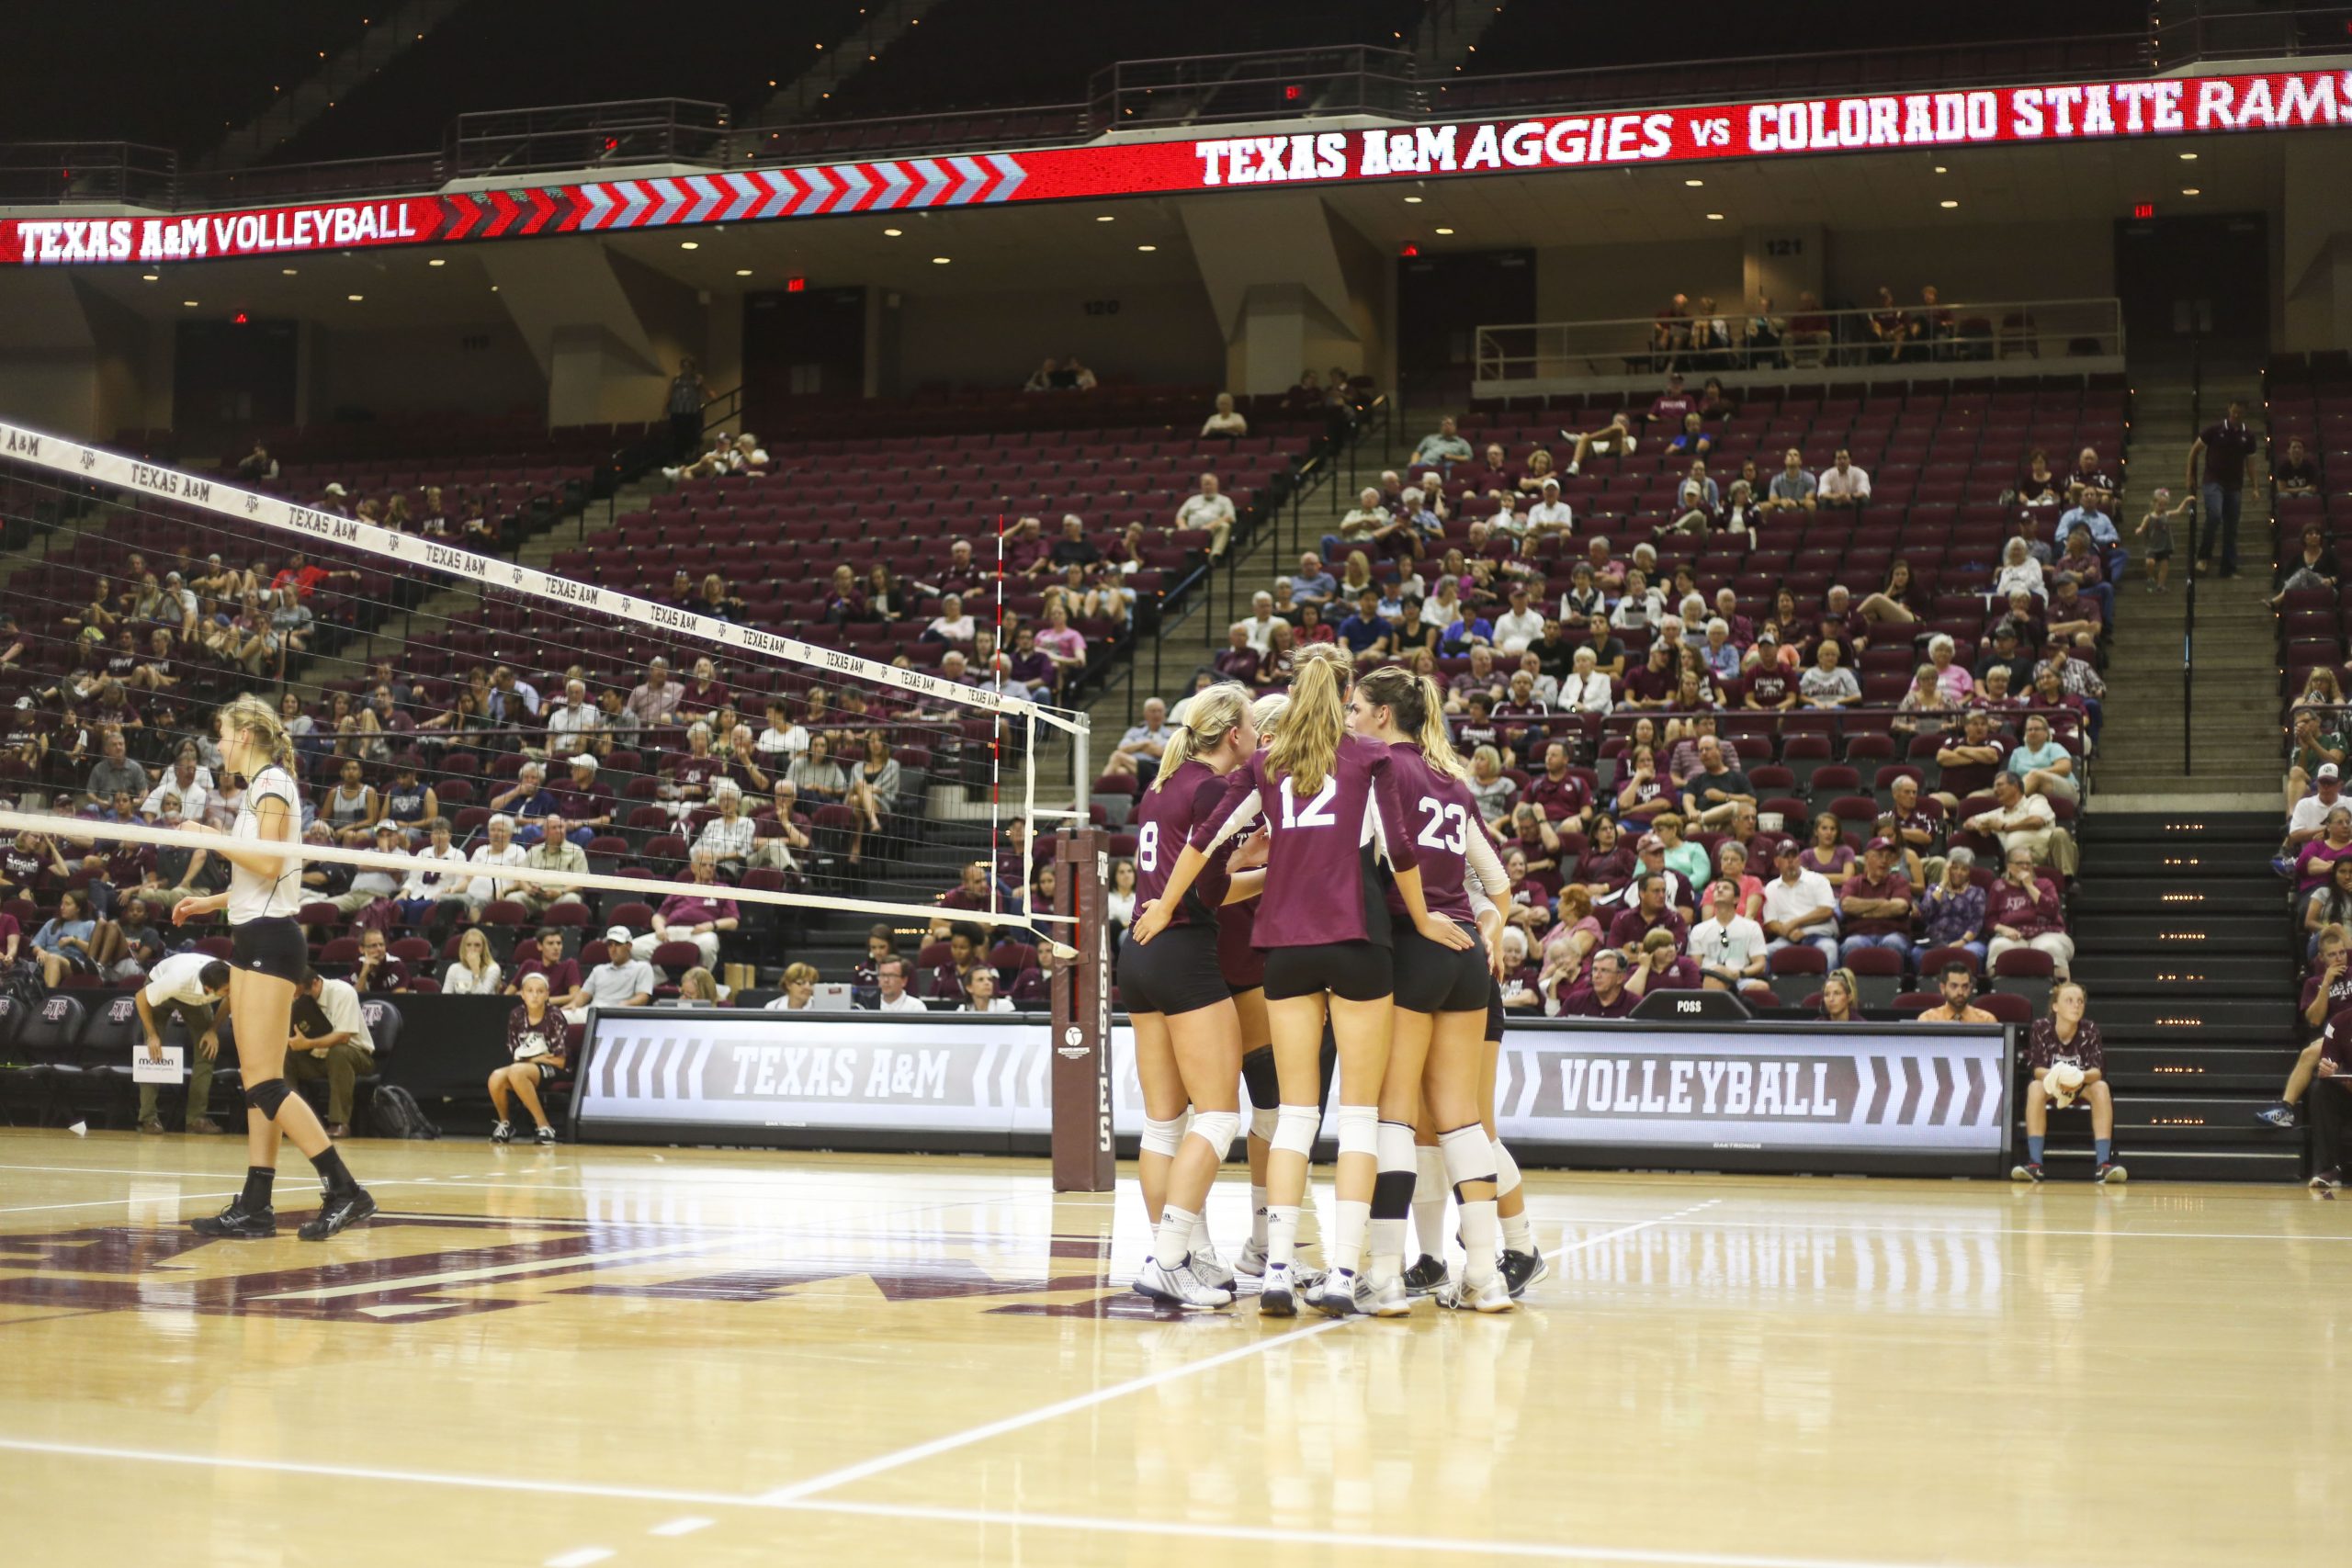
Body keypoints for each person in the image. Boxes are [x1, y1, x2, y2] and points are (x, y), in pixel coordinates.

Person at [1136, 657, 1462, 1319]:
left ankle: (1274, 1264)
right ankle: (1348, 1271)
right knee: (1361, 1117)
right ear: (1348, 698)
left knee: (1287, 1116)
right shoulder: (1370, 758)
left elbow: (1203, 843)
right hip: (1354, 941)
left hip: (1280, 952)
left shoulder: (1265, 767)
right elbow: (1401, 850)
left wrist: (1164, 904)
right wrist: (1426, 915)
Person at [1350, 667, 1515, 1314]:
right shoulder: (1453, 780)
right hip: (1465, 955)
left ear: (1385, 716)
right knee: (1462, 1118)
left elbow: (1371, 856)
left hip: (1413, 947)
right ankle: (1485, 1273)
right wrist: (1490, 930)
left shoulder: (1379, 768)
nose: (1352, 719)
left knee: (1394, 1112)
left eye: (1358, 708)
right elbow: (1496, 879)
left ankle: (1387, 1273)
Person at [2011, 982, 2124, 1184]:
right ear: (2055, 1006)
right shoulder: (2041, 1028)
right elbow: (2037, 1070)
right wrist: (2061, 1077)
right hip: (2052, 1084)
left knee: (2101, 1087)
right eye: (2069, 1001)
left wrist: (2076, 1078)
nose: (2076, 1006)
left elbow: (2096, 1072)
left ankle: (2103, 1165)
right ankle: (2035, 1164)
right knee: (2035, 1087)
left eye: (2080, 1001)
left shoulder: (2089, 1030)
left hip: (2080, 1084)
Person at [132, 953, 231, 1136]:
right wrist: (152, 1035)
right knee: (152, 1052)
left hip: (195, 1000)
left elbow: (231, 998)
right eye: (226, 990)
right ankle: (148, 1119)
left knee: (207, 1051)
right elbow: (140, 998)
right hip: (163, 991)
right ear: (209, 989)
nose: (230, 992)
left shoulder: (231, 976)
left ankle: (196, 1119)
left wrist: (213, 1030)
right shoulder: (175, 981)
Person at [279, 968, 375, 1140]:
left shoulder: (343, 992)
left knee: (339, 1053)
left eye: (301, 993)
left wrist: (307, 1043)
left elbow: (343, 1037)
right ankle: (296, 1120)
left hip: (357, 1056)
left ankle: (339, 1124)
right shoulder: (298, 999)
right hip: (319, 1058)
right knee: (286, 1056)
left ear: (315, 982)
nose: (297, 998)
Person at [489, 972, 567, 1145]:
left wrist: (531, 1061)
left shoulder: (555, 1016)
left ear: (547, 995)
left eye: (540, 991)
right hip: (527, 1067)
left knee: (517, 1071)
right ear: (522, 994)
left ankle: (544, 1127)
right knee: (496, 1076)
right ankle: (505, 1124)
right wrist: (537, 1059)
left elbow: (560, 1061)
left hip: (554, 1070)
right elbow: (516, 1055)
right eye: (530, 991)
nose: (535, 995)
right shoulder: (516, 1015)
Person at [2187, 397, 2258, 577]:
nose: (2236, 415)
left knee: (2231, 527)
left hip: (2235, 484)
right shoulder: (2215, 430)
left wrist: (2255, 487)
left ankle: (2228, 567)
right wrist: (2190, 475)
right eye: (2234, 411)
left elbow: (2250, 463)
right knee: (2215, 515)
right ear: (2229, 409)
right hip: (2213, 480)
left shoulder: (2248, 436)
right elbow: (2194, 450)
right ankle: (2204, 556)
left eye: (2240, 413)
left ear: (2244, 413)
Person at [1838, 838, 1914, 969]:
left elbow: (1900, 907)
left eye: (1888, 856)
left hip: (1893, 933)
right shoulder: (1854, 883)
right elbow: (1847, 905)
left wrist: (1863, 911)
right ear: (1866, 858)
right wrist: (1882, 902)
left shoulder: (1899, 882)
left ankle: (1897, 987)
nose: (1884, 860)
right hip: (1859, 934)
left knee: (1893, 943)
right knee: (1851, 944)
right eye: (1879, 855)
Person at [557, 928, 658, 1025]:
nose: (613, 949)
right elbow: (584, 994)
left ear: (629, 946)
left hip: (619, 1015)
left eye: (618, 944)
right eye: (610, 945)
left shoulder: (642, 967)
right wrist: (574, 1004)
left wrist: (624, 1005)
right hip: (591, 1012)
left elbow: (643, 997)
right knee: (555, 1017)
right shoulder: (599, 970)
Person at [1761, 839, 1838, 962]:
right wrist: (1787, 932)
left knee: (1829, 949)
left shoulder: (1818, 880)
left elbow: (1826, 911)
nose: (1791, 861)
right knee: (1765, 953)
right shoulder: (1771, 887)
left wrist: (1795, 923)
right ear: (1776, 862)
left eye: (1794, 856)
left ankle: (1832, 981)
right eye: (1786, 857)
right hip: (1786, 937)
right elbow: (1770, 922)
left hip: (1818, 934)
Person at [1688, 879, 1766, 991]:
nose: (1719, 890)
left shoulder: (1751, 927)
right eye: (1717, 888)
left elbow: (1760, 964)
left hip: (1739, 979)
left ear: (1736, 899)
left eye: (1725, 888)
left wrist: (1737, 973)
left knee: (1761, 987)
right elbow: (1696, 966)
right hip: (1709, 978)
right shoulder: (1699, 929)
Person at [1916, 960, 1996, 1024]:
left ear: (1970, 988)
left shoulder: (1986, 1021)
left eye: (1965, 986)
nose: (1960, 992)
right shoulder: (1927, 1020)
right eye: (1954, 986)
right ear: (1943, 988)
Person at [441, 926, 504, 996]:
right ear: (463, 948)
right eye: (468, 945)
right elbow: (445, 997)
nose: (473, 949)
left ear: (483, 948)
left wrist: (475, 971)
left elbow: (481, 998)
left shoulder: (493, 968)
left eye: (477, 945)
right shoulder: (454, 969)